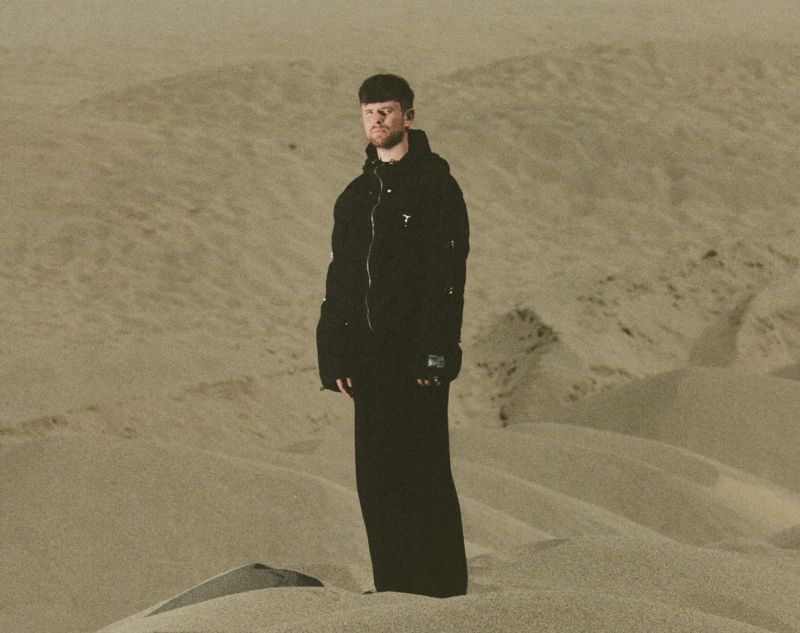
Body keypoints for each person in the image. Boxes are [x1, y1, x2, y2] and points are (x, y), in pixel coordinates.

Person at [316, 74, 469, 597]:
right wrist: (334, 353)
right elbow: (339, 280)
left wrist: (436, 355)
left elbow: (447, 279)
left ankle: (444, 595)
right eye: (369, 113)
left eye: (386, 111)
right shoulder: (355, 197)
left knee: (424, 474)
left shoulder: (436, 187)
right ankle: (395, 594)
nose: (377, 121)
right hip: (368, 360)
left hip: (417, 359)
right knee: (377, 479)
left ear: (408, 115)